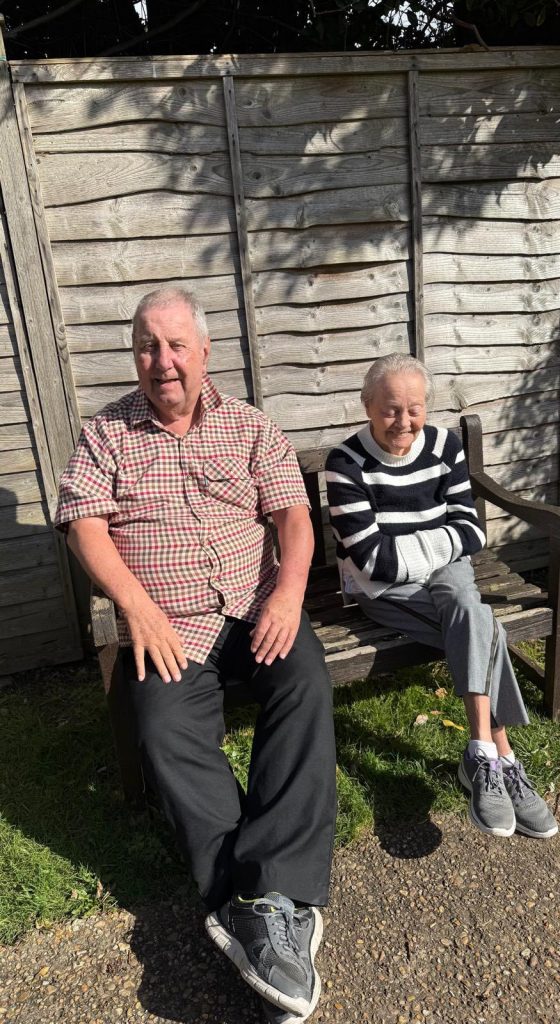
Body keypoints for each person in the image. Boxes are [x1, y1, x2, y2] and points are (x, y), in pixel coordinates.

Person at [55, 287, 337, 1024]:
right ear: (136, 356)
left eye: (176, 345)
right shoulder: (107, 434)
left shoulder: (249, 426)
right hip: (169, 625)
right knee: (162, 730)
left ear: (204, 352)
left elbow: (293, 516)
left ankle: (264, 892)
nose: (163, 361)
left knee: (304, 684)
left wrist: (287, 595)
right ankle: (256, 908)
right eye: (148, 346)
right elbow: (84, 523)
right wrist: (137, 607)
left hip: (255, 610)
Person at [325, 352, 557, 841]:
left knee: (461, 599)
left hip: (447, 578)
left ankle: (479, 753)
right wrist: (436, 545)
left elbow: (471, 532)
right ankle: (504, 757)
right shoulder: (344, 463)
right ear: (367, 405)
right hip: (386, 592)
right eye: (390, 409)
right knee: (480, 622)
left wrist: (409, 548)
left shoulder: (446, 446)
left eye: (414, 408)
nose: (403, 421)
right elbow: (373, 564)